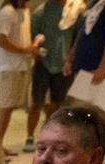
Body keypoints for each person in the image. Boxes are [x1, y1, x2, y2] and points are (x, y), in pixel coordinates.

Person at [24, 0, 74, 153]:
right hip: (43, 63)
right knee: (36, 102)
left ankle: (48, 135)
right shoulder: (40, 12)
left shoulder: (73, 11)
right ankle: (30, 136)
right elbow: (33, 38)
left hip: (63, 65)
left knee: (56, 103)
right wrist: (36, 52)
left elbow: (77, 37)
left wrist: (71, 57)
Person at [0, 0, 40, 154]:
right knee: (5, 108)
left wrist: (30, 49)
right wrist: (25, 50)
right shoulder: (7, 11)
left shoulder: (24, 11)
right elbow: (2, 41)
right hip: (8, 67)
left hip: (19, 66)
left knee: (9, 107)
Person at [64, 0, 105, 104]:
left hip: (96, 66)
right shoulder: (93, 3)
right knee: (80, 106)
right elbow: (82, 31)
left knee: (90, 109)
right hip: (82, 63)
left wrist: (102, 67)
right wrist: (70, 58)